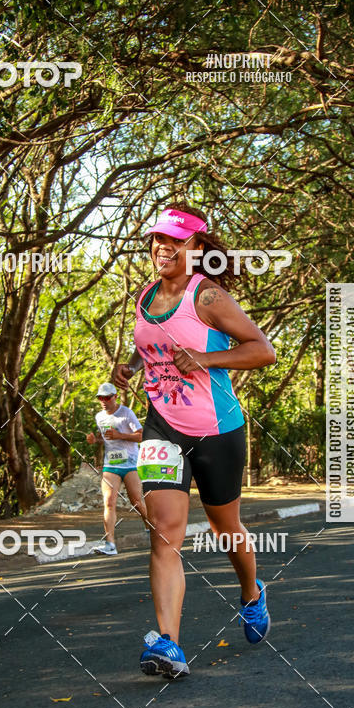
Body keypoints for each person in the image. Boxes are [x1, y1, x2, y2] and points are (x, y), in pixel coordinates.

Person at [113, 204, 276, 678]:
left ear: (198, 248)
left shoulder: (208, 297)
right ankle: (169, 645)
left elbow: (261, 350)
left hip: (216, 429)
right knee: (164, 532)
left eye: (176, 240)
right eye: (157, 239)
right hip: (162, 426)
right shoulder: (145, 296)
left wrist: (206, 358)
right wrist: (131, 366)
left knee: (227, 529)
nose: (163, 247)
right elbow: (152, 345)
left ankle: (251, 592)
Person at [86, 381, 148, 556]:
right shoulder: (99, 417)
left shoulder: (126, 414)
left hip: (130, 465)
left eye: (107, 397)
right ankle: (110, 544)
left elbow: (142, 436)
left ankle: (151, 527)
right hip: (111, 465)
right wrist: (94, 440)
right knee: (109, 501)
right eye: (100, 398)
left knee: (136, 502)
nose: (104, 401)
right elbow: (103, 436)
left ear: (114, 397)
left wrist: (120, 435)